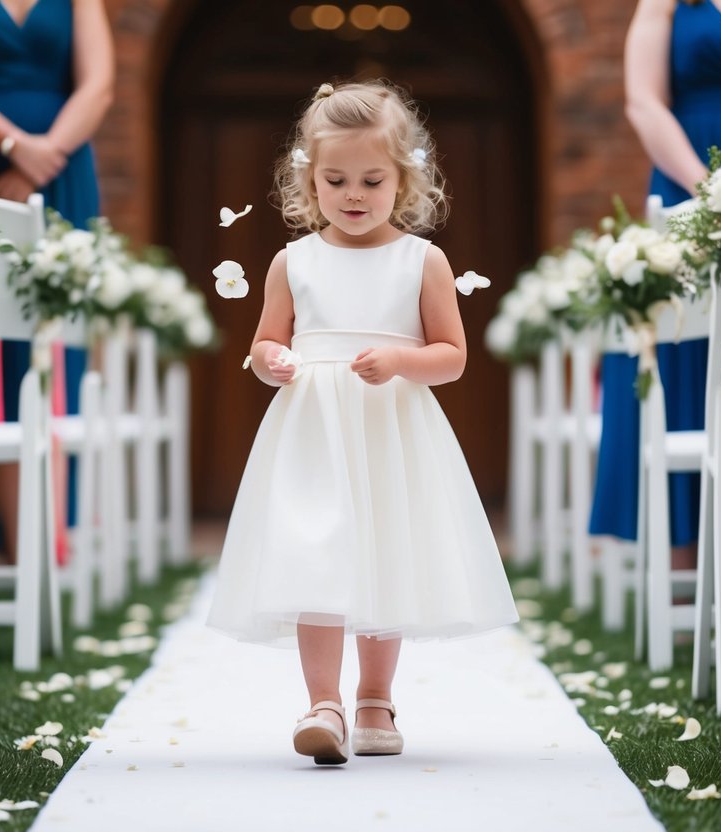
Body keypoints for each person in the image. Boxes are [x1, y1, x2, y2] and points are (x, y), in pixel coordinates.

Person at [206, 81, 518, 765]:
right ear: (307, 179)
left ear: (403, 178)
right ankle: (324, 703)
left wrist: (402, 359)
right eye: (334, 179)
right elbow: (261, 345)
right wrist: (273, 362)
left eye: (371, 180)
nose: (353, 194)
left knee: (383, 554)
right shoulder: (292, 262)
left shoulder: (421, 260)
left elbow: (453, 358)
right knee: (314, 554)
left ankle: (376, 696)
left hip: (388, 429)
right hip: (314, 429)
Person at [592, 0, 721, 571]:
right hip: (690, 176)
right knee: (689, 345)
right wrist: (712, 187)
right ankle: (689, 552)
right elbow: (644, 102)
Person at [0, 0, 114, 564]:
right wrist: (11, 145)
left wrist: (39, 158)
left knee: (50, 341)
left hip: (61, 170)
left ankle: (46, 532)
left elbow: (97, 86)